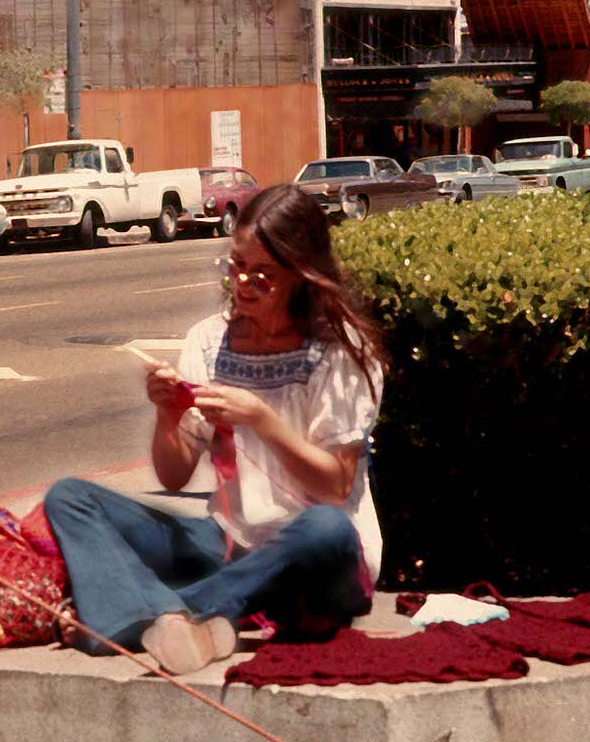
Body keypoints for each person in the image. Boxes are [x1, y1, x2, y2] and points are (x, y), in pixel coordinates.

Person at [44, 184, 386, 675]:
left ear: (300, 275)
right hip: (227, 544)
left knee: (324, 529)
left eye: (261, 275)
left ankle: (156, 614)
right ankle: (176, 619)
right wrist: (167, 415)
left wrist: (261, 419)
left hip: (318, 557)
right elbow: (174, 477)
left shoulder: (340, 349)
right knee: (71, 498)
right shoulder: (209, 342)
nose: (242, 283)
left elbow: (335, 486)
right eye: (235, 266)